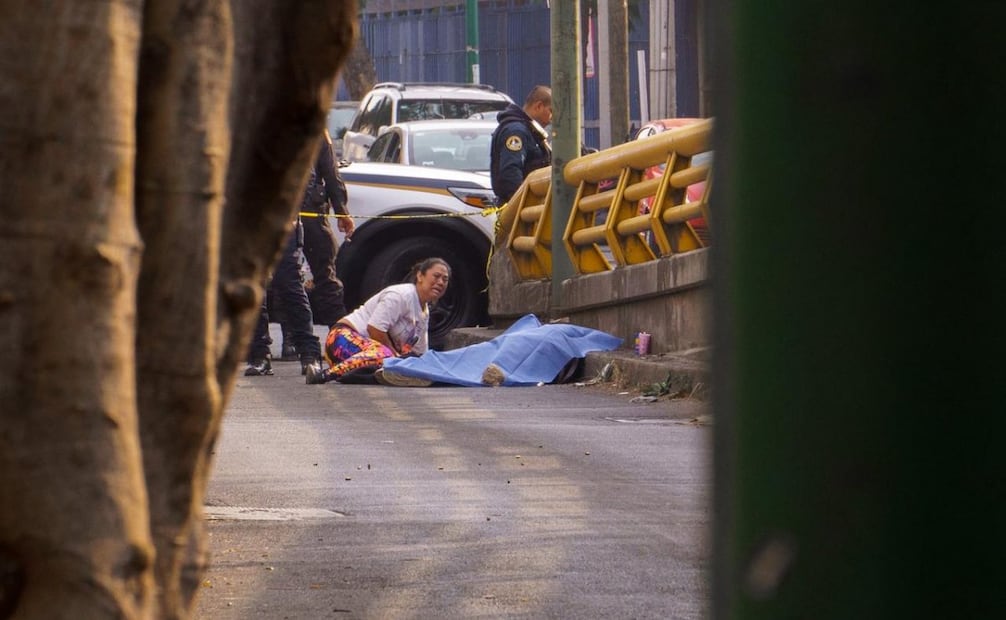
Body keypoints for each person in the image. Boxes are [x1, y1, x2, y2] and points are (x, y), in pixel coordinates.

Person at [305, 258, 451, 384]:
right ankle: (323, 375)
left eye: (445, 279)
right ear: (420, 276)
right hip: (339, 340)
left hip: (363, 358)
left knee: (395, 369)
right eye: (436, 276)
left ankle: (348, 375)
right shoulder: (401, 295)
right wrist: (396, 357)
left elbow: (420, 353)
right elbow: (375, 329)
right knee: (389, 358)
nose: (440, 282)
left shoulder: (424, 312)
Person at [302, 129, 355, 326]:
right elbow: (331, 172)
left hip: (302, 212)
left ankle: (338, 333)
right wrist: (341, 210)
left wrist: (342, 209)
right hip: (309, 213)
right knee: (325, 277)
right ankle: (340, 335)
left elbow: (330, 172)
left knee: (282, 278)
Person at [489, 85, 553, 203]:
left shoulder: (529, 131)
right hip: (520, 209)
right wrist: (523, 203)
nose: (551, 118)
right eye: (551, 111)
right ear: (539, 106)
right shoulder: (517, 131)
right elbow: (511, 173)